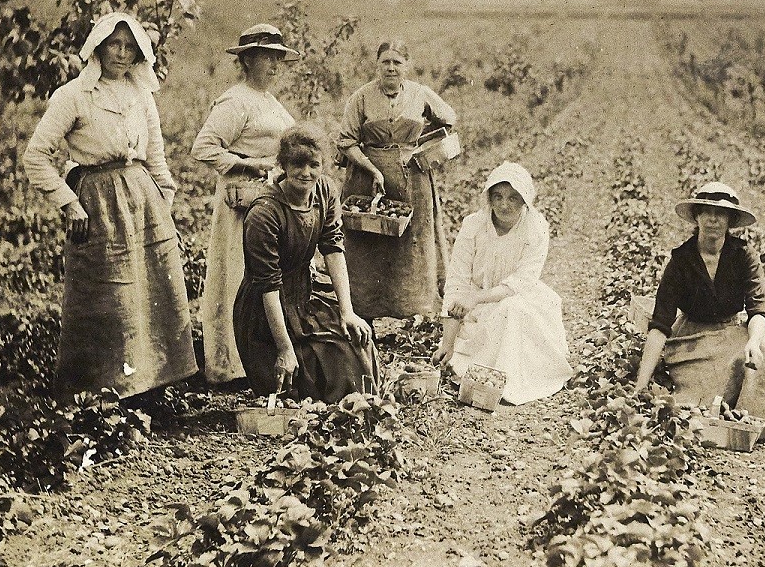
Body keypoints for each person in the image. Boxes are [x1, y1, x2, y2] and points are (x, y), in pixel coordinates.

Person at [23, 12, 195, 400]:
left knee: (151, 290)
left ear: (139, 54)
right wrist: (69, 204)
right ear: (98, 46)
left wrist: (165, 209)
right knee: (108, 295)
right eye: (114, 44)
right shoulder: (74, 95)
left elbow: (156, 158)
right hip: (97, 202)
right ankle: (101, 391)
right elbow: (35, 156)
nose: (121, 53)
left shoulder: (141, 95)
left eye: (129, 47)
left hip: (142, 200)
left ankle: (150, 385)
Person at [233, 124, 376, 402]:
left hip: (305, 293)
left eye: (314, 164)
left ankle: (363, 408)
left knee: (355, 345)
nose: (306, 173)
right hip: (265, 312)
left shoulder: (324, 191)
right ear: (283, 165)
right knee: (304, 382)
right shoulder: (264, 214)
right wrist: (284, 348)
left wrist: (347, 311)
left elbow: (333, 249)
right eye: (297, 164)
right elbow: (268, 285)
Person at [191, 24, 298, 385]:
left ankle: (265, 356)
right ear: (248, 60)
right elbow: (203, 148)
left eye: (278, 59)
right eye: (267, 57)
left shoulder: (270, 102)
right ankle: (231, 364)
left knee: (266, 277)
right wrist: (252, 164)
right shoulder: (235, 101)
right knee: (237, 276)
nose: (274, 65)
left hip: (268, 200)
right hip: (241, 202)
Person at [336, 39, 457, 321]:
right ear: (377, 66)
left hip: (412, 179)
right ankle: (362, 310)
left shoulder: (420, 94)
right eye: (385, 62)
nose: (391, 68)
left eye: (397, 62)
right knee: (368, 241)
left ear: (406, 66)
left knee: (412, 240)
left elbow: (448, 119)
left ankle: (415, 308)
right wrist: (371, 168)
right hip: (368, 178)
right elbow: (346, 142)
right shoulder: (361, 97)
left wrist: (425, 146)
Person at [432, 161, 572, 405]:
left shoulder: (536, 228)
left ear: (525, 200)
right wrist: (448, 342)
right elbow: (457, 281)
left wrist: (475, 298)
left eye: (513, 198)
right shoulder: (473, 226)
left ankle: (510, 382)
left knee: (511, 310)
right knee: (462, 355)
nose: (504, 205)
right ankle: (482, 375)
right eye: (497, 196)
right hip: (477, 304)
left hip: (521, 300)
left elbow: (520, 283)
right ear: (488, 197)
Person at [633, 181, 765, 404]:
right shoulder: (681, 260)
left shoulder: (744, 255)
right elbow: (660, 324)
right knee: (699, 394)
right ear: (697, 217)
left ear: (730, 220)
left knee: (761, 362)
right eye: (706, 212)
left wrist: (754, 341)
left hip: (731, 332)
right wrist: (640, 386)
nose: (713, 219)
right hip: (692, 337)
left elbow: (758, 308)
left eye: (720, 213)